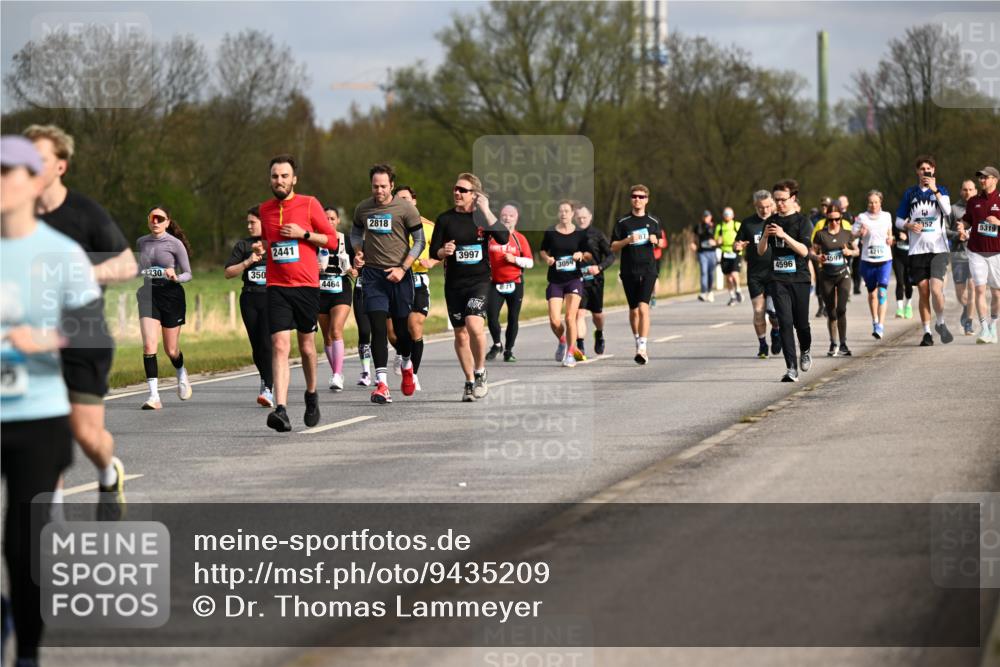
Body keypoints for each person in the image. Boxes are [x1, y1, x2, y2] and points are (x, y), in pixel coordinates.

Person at [2, 135, 101, 666]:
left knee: (24, 541)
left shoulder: (62, 254)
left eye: (6, 172)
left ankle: (28, 654)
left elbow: (92, 326)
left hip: (38, 416)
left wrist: (45, 339)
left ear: (30, 181)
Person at [26, 124, 136, 521]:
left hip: (83, 337)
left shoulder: (84, 213)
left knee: (87, 436)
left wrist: (85, 274)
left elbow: (128, 263)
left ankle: (109, 472)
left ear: (60, 166)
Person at [258, 154, 338, 431]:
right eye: (274, 176)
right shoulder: (264, 210)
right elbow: (269, 244)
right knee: (280, 346)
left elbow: (333, 240)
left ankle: (311, 394)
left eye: (283, 176)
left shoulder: (309, 203)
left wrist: (303, 234)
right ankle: (281, 409)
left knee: (306, 347)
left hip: (306, 286)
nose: (278, 181)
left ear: (294, 179)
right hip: (276, 287)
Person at [351, 164, 426, 404]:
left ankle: (406, 363)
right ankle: (382, 384)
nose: (379, 191)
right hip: (373, 277)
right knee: (378, 329)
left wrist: (403, 268)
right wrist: (358, 250)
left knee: (402, 331)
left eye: (383, 186)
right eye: (375, 186)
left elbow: (420, 241)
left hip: (400, 277)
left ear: (391, 185)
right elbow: (355, 233)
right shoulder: (363, 208)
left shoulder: (405, 209)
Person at [430, 173, 508, 400]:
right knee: (461, 335)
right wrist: (443, 252)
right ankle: (469, 380)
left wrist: (487, 210)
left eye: (463, 190)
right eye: (455, 188)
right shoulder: (445, 219)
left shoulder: (483, 219)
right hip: (454, 285)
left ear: (475, 195)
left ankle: (480, 371)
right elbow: (435, 249)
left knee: (474, 325)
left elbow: (503, 238)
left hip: (480, 282)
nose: (457, 193)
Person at [136, 206, 193, 410]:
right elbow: (139, 268)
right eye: (153, 218)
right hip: (148, 293)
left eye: (160, 219)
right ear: (148, 220)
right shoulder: (141, 242)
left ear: (167, 222)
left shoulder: (175, 244)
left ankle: (180, 372)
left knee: (171, 350)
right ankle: (154, 396)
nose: (156, 222)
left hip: (171, 295)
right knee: (149, 345)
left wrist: (176, 276)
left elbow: (188, 273)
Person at [757, 179, 813, 382]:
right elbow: (761, 251)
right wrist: (764, 236)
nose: (779, 204)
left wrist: (784, 236)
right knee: (785, 323)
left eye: (783, 200)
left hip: (799, 278)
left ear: (793, 198)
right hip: (778, 279)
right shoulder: (770, 221)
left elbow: (805, 251)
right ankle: (791, 368)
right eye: (776, 200)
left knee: (802, 325)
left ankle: (805, 349)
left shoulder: (803, 222)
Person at [895, 155, 953, 346]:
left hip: (938, 249)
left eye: (928, 169)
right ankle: (927, 332)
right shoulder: (910, 193)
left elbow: (947, 211)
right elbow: (898, 220)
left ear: (933, 171)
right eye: (922, 169)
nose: (925, 172)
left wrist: (935, 190)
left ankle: (941, 322)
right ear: (917, 172)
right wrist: (909, 225)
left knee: (936, 290)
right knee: (923, 290)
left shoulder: (941, 190)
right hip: (917, 250)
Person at [224, 206, 273, 406]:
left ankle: (269, 388)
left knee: (267, 342)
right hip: (249, 298)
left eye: (253, 222)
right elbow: (228, 272)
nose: (249, 226)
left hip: (271, 298)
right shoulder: (243, 245)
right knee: (256, 346)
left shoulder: (274, 243)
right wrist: (247, 262)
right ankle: (265, 379)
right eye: (248, 222)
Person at [391, 186, 438, 390]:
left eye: (406, 199)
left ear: (414, 201)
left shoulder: (428, 226)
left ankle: (413, 373)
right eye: (399, 200)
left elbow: (440, 251)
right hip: (395, 281)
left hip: (418, 279)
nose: (404, 203)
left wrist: (432, 261)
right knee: (393, 333)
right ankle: (403, 353)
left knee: (415, 325)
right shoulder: (391, 225)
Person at [611, 185, 662, 365]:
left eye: (641, 197)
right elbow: (613, 246)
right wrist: (627, 240)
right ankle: (637, 338)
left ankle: (642, 346)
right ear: (630, 199)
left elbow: (662, 241)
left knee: (643, 307)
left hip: (648, 269)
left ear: (647, 199)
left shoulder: (653, 221)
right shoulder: (623, 222)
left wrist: (657, 240)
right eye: (634, 196)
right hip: (628, 270)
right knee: (633, 311)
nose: (637, 200)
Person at [539, 200, 592, 367]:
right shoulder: (550, 233)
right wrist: (547, 258)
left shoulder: (579, 234)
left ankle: (570, 353)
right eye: (561, 211)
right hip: (555, 280)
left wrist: (580, 255)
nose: (563, 214)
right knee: (554, 320)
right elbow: (542, 250)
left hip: (573, 280)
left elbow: (589, 254)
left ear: (572, 214)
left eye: (566, 211)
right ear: (558, 213)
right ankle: (563, 340)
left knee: (570, 317)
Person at [734, 190, 781, 358]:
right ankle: (762, 345)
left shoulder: (777, 222)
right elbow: (736, 243)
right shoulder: (747, 223)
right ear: (755, 206)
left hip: (774, 273)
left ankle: (776, 332)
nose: (765, 210)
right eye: (761, 207)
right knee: (759, 311)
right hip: (755, 274)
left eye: (768, 206)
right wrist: (737, 247)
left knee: (773, 312)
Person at [958, 166, 1000, 344]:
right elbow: (967, 219)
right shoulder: (973, 200)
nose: (982, 180)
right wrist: (962, 226)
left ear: (995, 180)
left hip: (997, 251)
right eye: (980, 178)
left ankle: (993, 325)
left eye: (985, 177)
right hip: (976, 251)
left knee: (997, 293)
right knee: (979, 288)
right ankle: (984, 328)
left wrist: (999, 222)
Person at [486, 203, 533, 362]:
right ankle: (497, 344)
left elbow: (530, 263)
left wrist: (515, 259)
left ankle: (509, 350)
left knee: (513, 317)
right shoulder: (491, 237)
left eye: (511, 215)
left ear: (516, 218)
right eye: (504, 215)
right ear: (500, 217)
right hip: (494, 283)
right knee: (491, 316)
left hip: (515, 283)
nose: (507, 218)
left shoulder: (520, 239)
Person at [317, 207, 356, 392]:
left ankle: (337, 374)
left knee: (336, 329)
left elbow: (358, 268)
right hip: (320, 290)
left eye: (332, 218)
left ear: (338, 220)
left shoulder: (346, 241)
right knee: (327, 336)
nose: (329, 221)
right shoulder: (314, 241)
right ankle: (336, 372)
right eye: (326, 218)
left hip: (341, 288)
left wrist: (353, 269)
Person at [812, 204, 857, 356]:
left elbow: (857, 251)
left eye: (837, 219)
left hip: (843, 274)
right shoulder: (820, 234)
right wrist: (818, 257)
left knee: (841, 309)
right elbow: (813, 251)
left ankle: (843, 343)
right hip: (826, 276)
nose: (835, 222)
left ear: (841, 218)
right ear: (827, 219)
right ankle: (833, 343)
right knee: (831, 312)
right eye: (831, 220)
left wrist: (849, 251)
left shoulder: (847, 234)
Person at [852, 190, 895, 340]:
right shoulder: (862, 217)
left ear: (880, 202)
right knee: (872, 294)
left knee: (882, 292)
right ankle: (875, 319)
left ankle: (880, 326)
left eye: (876, 202)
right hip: (868, 260)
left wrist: (891, 238)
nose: (873, 205)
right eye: (871, 202)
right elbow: (853, 234)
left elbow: (890, 233)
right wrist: (860, 233)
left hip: (884, 259)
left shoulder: (887, 216)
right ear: (867, 203)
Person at [573, 204, 614, 356]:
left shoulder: (597, 234)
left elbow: (611, 256)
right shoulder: (571, 234)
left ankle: (599, 333)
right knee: (579, 313)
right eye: (579, 218)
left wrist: (600, 267)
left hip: (595, 280)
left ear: (590, 217)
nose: (582, 220)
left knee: (597, 314)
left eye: (584, 217)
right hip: (577, 279)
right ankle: (580, 346)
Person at [949, 179, 978, 335]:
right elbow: (944, 230)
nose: (968, 192)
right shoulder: (953, 210)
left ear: (975, 191)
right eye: (965, 189)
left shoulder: (980, 208)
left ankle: (969, 323)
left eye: (971, 189)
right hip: (958, 254)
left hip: (976, 255)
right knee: (961, 294)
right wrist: (956, 236)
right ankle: (967, 309)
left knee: (973, 289)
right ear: (961, 191)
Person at [715, 206, 742, 306]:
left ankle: (738, 290)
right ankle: (732, 296)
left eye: (729, 214)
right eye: (725, 214)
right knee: (728, 278)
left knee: (734, 274)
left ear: (733, 215)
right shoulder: (720, 227)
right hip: (725, 252)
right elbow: (716, 240)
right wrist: (718, 241)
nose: (727, 216)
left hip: (735, 252)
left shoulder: (737, 225)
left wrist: (740, 244)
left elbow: (743, 237)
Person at [838, 195, 863, 295]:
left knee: (857, 266)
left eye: (843, 201)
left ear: (847, 203)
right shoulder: (835, 216)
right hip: (843, 245)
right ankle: (845, 289)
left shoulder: (851, 216)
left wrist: (859, 234)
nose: (841, 203)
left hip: (854, 243)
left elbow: (855, 230)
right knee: (846, 266)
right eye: (840, 201)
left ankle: (857, 286)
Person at [690, 210, 717, 301]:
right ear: (702, 217)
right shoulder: (698, 227)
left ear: (711, 217)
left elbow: (720, 238)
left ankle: (710, 291)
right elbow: (694, 237)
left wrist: (715, 242)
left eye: (708, 216)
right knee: (703, 272)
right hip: (702, 252)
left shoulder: (715, 226)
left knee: (710, 273)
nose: (706, 218)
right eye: (705, 217)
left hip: (712, 252)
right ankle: (703, 292)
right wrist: (693, 244)